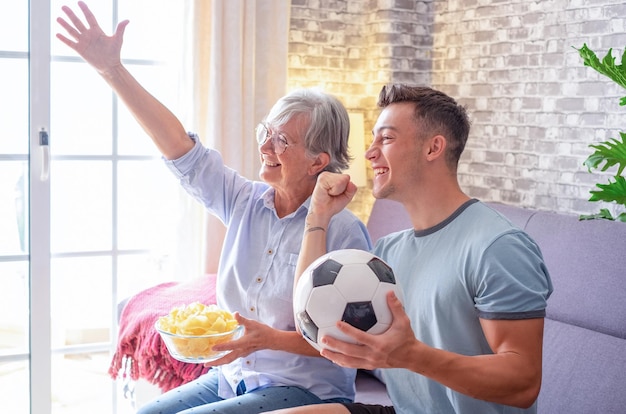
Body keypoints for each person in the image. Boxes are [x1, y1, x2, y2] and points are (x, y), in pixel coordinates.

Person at [56, 2, 372, 413]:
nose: (264, 147)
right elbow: (181, 150)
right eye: (266, 133)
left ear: (318, 161)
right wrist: (112, 70)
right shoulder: (243, 201)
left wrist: (269, 339)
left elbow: (349, 341)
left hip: (306, 390)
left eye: (282, 141)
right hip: (232, 379)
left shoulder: (344, 231)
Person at [269, 84, 554, 414]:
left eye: (386, 139)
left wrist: (410, 355)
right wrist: (317, 216)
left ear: (433, 148)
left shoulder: (497, 247)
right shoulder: (388, 252)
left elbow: (523, 383)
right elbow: (310, 315)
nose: (370, 152)